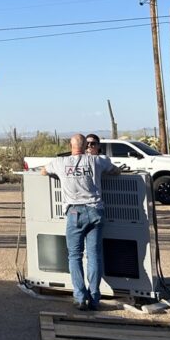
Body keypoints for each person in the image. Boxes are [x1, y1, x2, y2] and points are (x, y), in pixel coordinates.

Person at [40, 133, 119, 311]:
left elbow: (43, 171)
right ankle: (94, 298)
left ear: (71, 146)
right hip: (95, 211)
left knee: (74, 256)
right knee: (94, 256)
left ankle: (80, 297)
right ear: (86, 146)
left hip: (74, 213)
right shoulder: (96, 161)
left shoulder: (60, 163)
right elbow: (115, 170)